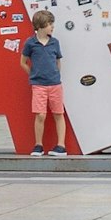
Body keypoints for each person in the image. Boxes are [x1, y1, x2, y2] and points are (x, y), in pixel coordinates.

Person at [20, 9, 67, 156]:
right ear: (40, 26)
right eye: (49, 24)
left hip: (54, 84)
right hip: (38, 85)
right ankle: (38, 145)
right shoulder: (30, 43)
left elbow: (58, 61)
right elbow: (23, 62)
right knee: (40, 115)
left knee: (58, 113)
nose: (52, 27)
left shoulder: (55, 42)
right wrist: (33, 75)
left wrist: (55, 75)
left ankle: (61, 145)